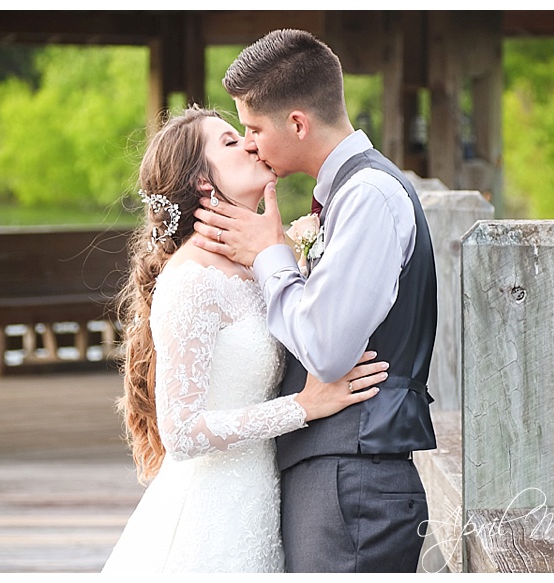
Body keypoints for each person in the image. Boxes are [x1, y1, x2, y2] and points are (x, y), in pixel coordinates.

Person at [101, 106, 387, 573]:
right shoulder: (193, 278)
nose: (252, 144)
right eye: (232, 142)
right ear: (202, 182)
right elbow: (181, 433)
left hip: (262, 498)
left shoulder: (261, 262)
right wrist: (304, 406)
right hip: (211, 516)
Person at [192, 29, 438, 572]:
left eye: (254, 128)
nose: (250, 142)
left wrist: (270, 256)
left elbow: (326, 351)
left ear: (298, 123)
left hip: (354, 481)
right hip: (336, 474)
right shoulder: (345, 194)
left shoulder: (367, 197)